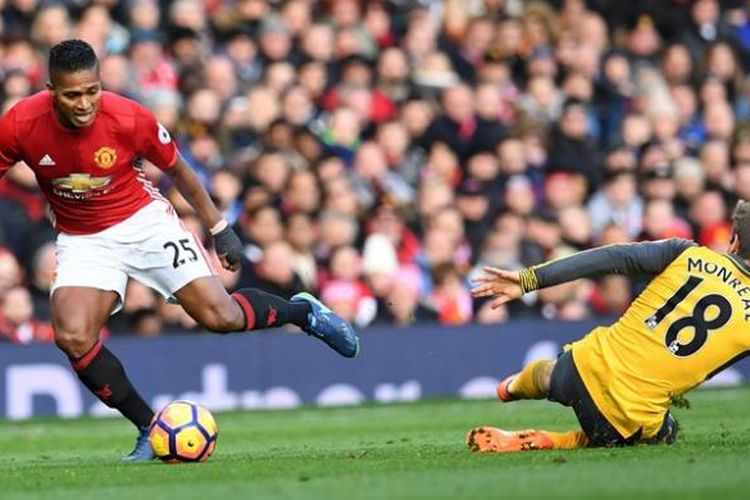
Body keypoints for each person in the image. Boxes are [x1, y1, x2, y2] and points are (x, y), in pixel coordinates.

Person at [0, 40, 360, 462]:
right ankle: (149, 429)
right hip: (84, 239)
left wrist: (219, 228)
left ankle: (304, 313)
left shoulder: (130, 116)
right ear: (50, 89)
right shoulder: (21, 123)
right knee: (73, 336)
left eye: (92, 90)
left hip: (144, 223)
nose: (84, 103)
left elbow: (179, 171)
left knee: (220, 317)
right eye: (72, 94)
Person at [466, 201, 750, 452]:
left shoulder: (687, 253)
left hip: (580, 366)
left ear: (734, 241)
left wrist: (530, 279)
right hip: (624, 416)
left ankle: (515, 386)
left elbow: (612, 257)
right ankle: (554, 440)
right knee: (664, 434)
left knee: (552, 373)